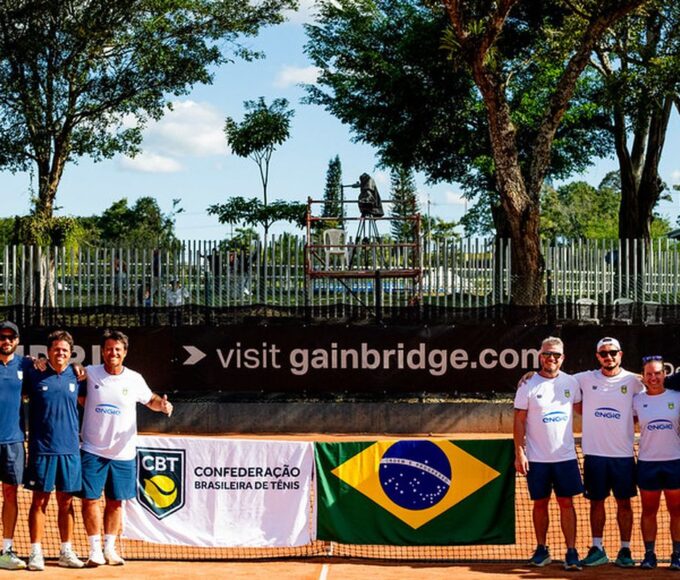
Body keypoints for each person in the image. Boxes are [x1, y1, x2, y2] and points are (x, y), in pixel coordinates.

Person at [79, 329, 173, 567]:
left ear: (125, 353)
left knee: (115, 501)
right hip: (92, 450)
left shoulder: (134, 378)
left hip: (123, 453)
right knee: (90, 500)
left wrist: (162, 406)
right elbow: (71, 370)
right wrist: (74, 367)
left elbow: (150, 400)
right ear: (103, 351)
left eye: (118, 350)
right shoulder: (90, 373)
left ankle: (109, 549)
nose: (113, 353)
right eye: (109, 349)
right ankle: (94, 550)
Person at [514, 336, 583, 571]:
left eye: (555, 354)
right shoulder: (527, 384)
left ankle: (571, 551)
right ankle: (542, 549)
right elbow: (519, 420)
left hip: (565, 458)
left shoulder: (572, 382)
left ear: (563, 358)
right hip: (537, 459)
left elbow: (587, 405)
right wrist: (520, 452)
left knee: (566, 503)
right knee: (540, 503)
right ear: (540, 356)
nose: (551, 358)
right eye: (546, 354)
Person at [575, 337, 644, 568]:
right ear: (597, 356)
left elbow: (653, 393)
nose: (609, 356)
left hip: (623, 456)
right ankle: (597, 548)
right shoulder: (584, 379)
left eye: (613, 352)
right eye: (603, 353)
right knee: (596, 503)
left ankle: (625, 549)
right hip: (594, 455)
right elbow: (556, 379)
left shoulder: (634, 381)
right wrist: (530, 375)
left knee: (624, 503)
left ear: (620, 354)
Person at [23, 330, 85, 571]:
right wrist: (33, 360)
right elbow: (20, 364)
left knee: (66, 502)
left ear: (71, 354)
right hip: (42, 450)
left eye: (65, 350)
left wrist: (80, 367)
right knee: (39, 501)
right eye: (56, 349)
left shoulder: (78, 375)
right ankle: (36, 552)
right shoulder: (34, 373)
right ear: (48, 352)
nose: (60, 353)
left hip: (70, 450)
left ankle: (66, 551)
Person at [632, 356, 680, 570]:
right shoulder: (636, 401)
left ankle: (677, 555)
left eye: (658, 373)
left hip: (675, 462)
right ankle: (649, 554)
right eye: (649, 374)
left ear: (665, 374)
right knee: (649, 510)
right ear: (643, 376)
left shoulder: (677, 397)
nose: (653, 378)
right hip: (648, 463)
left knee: (677, 511)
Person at [0, 321, 31, 570]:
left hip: (13, 441)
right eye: (2, 336)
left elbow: (56, 369)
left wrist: (76, 367)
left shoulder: (25, 365)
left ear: (17, 341)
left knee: (11, 494)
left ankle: (7, 549)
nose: (6, 341)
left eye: (11, 337)